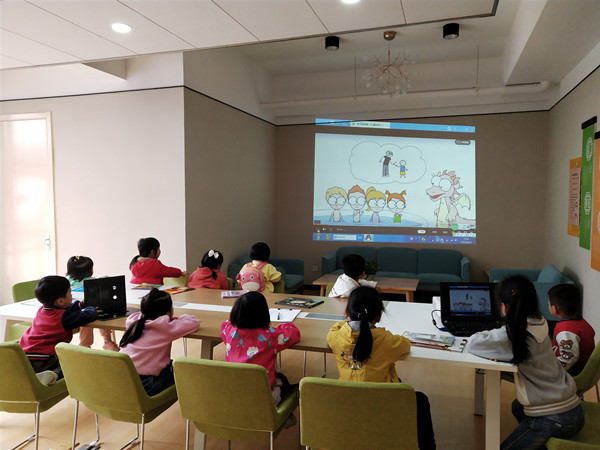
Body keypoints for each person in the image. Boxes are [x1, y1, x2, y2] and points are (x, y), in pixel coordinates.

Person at [467, 276, 585, 449]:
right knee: (517, 406)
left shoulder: (513, 334)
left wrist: (499, 349)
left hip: (555, 419)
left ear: (504, 307)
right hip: (574, 409)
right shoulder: (541, 322)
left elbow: (473, 343)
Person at [327, 286, 436, 449]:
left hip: (348, 401)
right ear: (379, 316)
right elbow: (405, 346)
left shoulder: (336, 338)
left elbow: (333, 330)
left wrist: (348, 322)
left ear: (347, 312)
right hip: (381, 405)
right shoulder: (386, 340)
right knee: (420, 400)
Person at [221, 291, 300, 405]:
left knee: (280, 377)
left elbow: (225, 324)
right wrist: (283, 325)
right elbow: (294, 332)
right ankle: (286, 411)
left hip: (234, 392)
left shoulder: (229, 331)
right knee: (284, 381)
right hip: (264, 398)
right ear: (264, 314)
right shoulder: (270, 336)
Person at [19, 275, 99, 383]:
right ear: (60, 301)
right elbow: (87, 316)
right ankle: (53, 375)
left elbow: (67, 311)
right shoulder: (63, 318)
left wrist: (81, 305)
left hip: (25, 355)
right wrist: (92, 309)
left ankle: (42, 374)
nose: (71, 295)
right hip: (43, 358)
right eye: (70, 292)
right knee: (73, 364)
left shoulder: (43, 310)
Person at [119, 288, 199, 395]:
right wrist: (172, 319)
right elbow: (194, 322)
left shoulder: (133, 321)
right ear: (168, 312)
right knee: (184, 368)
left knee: (171, 364)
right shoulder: (165, 328)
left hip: (123, 377)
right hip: (147, 384)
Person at [66, 255, 119, 351]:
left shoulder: (68, 280)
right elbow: (103, 280)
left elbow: (102, 280)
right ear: (88, 271)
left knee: (99, 311)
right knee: (88, 318)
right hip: (74, 313)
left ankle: (106, 342)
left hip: (84, 310)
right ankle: (86, 345)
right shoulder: (67, 283)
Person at [548, 283, 596, 375]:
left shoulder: (566, 331)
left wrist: (550, 371)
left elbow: (569, 359)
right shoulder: (580, 321)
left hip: (573, 370)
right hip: (577, 365)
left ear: (555, 309)